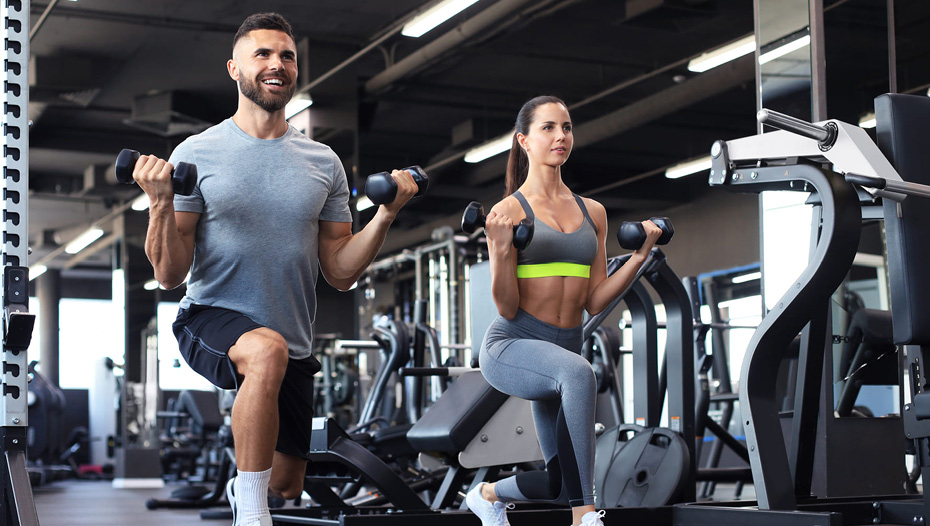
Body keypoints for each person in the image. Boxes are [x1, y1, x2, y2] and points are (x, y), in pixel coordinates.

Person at [131, 13, 418, 526]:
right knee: (264, 351)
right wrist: (159, 203)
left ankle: (249, 491)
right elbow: (172, 275)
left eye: (286, 55)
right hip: (209, 317)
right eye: (262, 54)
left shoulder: (323, 162)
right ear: (234, 68)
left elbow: (340, 271)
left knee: (284, 483)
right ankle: (251, 515)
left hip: (293, 338)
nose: (276, 64)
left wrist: (387, 214)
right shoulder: (197, 153)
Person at [464, 95, 662, 526]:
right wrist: (498, 250)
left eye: (567, 127)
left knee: (556, 484)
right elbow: (507, 305)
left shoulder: (594, 212)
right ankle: (585, 515)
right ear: (524, 141)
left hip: (565, 345)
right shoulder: (509, 211)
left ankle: (485, 494)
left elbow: (594, 299)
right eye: (548, 128)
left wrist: (640, 256)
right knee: (579, 373)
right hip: (513, 344)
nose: (560, 136)